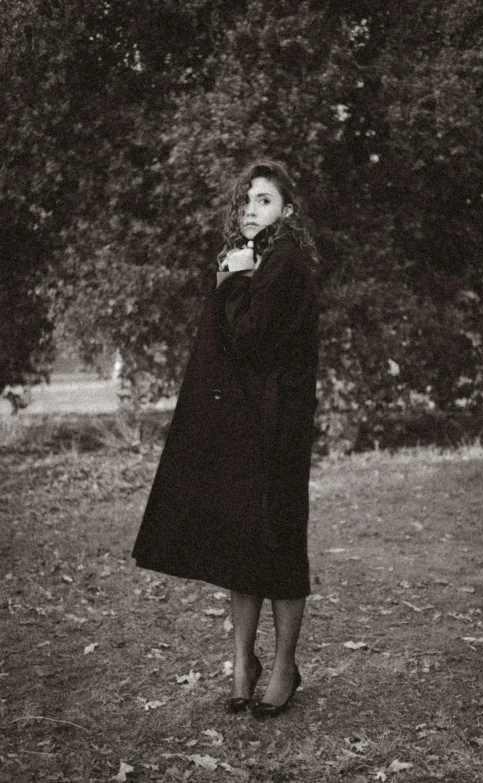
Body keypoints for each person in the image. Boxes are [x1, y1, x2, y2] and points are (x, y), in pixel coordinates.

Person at [132, 160, 319, 718]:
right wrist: (236, 275)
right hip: (248, 422)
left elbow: (252, 340)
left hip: (278, 426)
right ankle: (243, 665)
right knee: (244, 538)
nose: (251, 211)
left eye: (264, 200)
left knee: (279, 538)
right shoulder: (257, 259)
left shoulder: (285, 262)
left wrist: (232, 281)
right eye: (246, 202)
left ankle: (282, 666)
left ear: (287, 209)